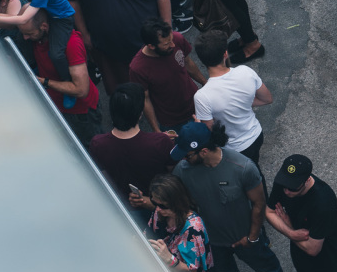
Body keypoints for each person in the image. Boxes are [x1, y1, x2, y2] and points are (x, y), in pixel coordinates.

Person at [171, 123, 289, 272]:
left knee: (270, 270)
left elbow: (259, 204)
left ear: (204, 151)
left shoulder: (243, 168)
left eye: (188, 155)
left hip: (245, 237)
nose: (184, 159)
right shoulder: (183, 170)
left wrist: (252, 237)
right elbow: (181, 199)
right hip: (214, 242)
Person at [88, 82, 175, 214]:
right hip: (160, 204)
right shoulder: (160, 142)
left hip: (125, 207)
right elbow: (173, 173)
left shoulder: (98, 144)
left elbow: (105, 178)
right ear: (140, 114)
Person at [19, 8, 101, 146]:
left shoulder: (71, 43)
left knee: (92, 150)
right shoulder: (37, 34)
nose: (25, 38)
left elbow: (81, 90)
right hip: (57, 106)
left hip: (81, 113)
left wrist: (44, 82)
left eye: (29, 34)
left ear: (44, 26)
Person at [192, 30, 272, 165]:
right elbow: (267, 99)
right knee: (254, 166)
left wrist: (198, 125)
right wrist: (243, 103)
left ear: (202, 60)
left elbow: (210, 131)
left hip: (234, 149)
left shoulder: (201, 96)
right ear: (225, 53)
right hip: (256, 135)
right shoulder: (246, 72)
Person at [129, 17, 206, 134]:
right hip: (172, 121)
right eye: (166, 44)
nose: (173, 45)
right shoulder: (137, 68)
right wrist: (157, 130)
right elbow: (145, 99)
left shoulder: (177, 39)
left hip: (196, 106)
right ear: (151, 46)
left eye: (172, 39)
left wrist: (206, 83)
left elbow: (188, 63)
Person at [144, 174, 212, 272]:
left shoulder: (193, 229)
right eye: (154, 203)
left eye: (163, 206)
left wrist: (169, 259)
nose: (158, 209)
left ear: (176, 202)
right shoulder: (160, 213)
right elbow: (148, 235)